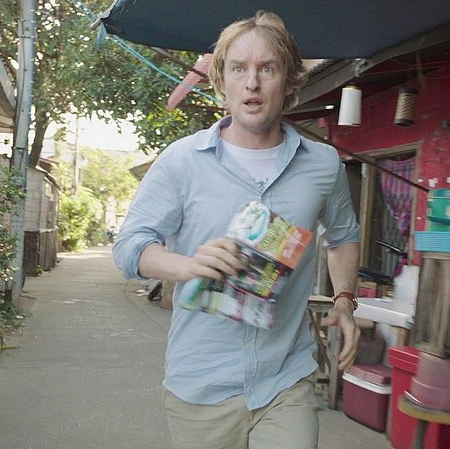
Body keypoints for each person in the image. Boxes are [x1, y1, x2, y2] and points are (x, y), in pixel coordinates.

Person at [112, 10, 361, 449]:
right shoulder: (182, 161)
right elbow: (130, 247)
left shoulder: (323, 165)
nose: (252, 83)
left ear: (288, 81)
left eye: (267, 69)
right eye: (239, 69)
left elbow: (343, 237)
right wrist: (187, 265)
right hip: (201, 384)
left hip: (286, 379)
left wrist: (345, 300)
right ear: (222, 81)